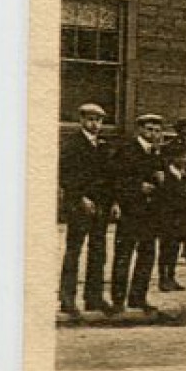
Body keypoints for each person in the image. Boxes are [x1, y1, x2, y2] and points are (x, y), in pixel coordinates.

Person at [58, 102, 115, 316]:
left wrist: (113, 202)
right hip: (79, 205)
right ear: (81, 120)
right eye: (90, 119)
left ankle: (94, 297)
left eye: (98, 120)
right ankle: (67, 299)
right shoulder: (72, 144)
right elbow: (66, 174)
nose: (94, 124)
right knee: (74, 250)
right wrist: (81, 197)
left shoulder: (103, 145)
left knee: (98, 251)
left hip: (101, 205)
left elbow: (110, 177)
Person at [111, 113, 166, 315]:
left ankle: (138, 297)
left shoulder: (157, 153)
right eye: (150, 129)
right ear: (140, 130)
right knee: (124, 254)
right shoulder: (127, 151)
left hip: (150, 214)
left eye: (157, 130)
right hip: (131, 211)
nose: (154, 134)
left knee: (147, 255)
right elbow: (116, 179)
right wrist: (137, 186)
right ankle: (118, 300)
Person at [155, 138, 186, 293]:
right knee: (165, 248)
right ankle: (163, 278)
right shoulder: (165, 174)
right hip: (168, 217)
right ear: (173, 157)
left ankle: (171, 277)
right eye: (179, 156)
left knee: (175, 248)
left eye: (185, 156)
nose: (183, 159)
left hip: (182, 217)